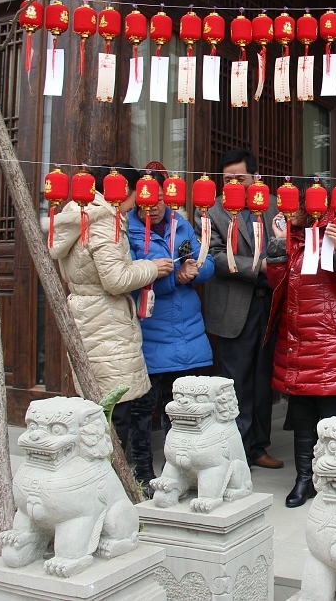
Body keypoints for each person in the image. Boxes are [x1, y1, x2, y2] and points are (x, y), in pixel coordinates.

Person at [49, 163, 174, 447]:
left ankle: (102, 466)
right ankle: (112, 469)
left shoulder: (80, 213)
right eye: (135, 195)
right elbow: (115, 280)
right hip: (106, 319)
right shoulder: (104, 220)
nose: (136, 204)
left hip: (87, 312)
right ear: (122, 190)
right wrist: (151, 268)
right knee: (116, 406)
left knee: (99, 403)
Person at [266, 178, 336, 507]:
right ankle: (304, 478)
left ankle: (335, 476)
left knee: (331, 413)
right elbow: (275, 282)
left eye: (293, 204)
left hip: (329, 335)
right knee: (301, 412)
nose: (287, 210)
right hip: (296, 334)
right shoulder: (292, 234)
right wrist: (278, 244)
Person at [127, 167, 216, 490]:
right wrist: (171, 279)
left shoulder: (182, 224)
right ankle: (142, 473)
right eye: (146, 201)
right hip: (150, 329)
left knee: (179, 409)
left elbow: (207, 260)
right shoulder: (128, 231)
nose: (153, 207)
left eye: (160, 199)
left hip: (187, 330)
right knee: (143, 409)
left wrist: (195, 270)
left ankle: (175, 472)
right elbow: (127, 281)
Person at [202, 150, 283, 469]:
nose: (234, 184)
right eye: (228, 179)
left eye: (241, 178)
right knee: (236, 381)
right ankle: (236, 450)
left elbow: (287, 244)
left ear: (256, 177)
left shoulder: (275, 204)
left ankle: (259, 447)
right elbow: (214, 254)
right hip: (234, 305)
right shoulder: (212, 209)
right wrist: (257, 266)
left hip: (268, 303)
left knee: (263, 379)